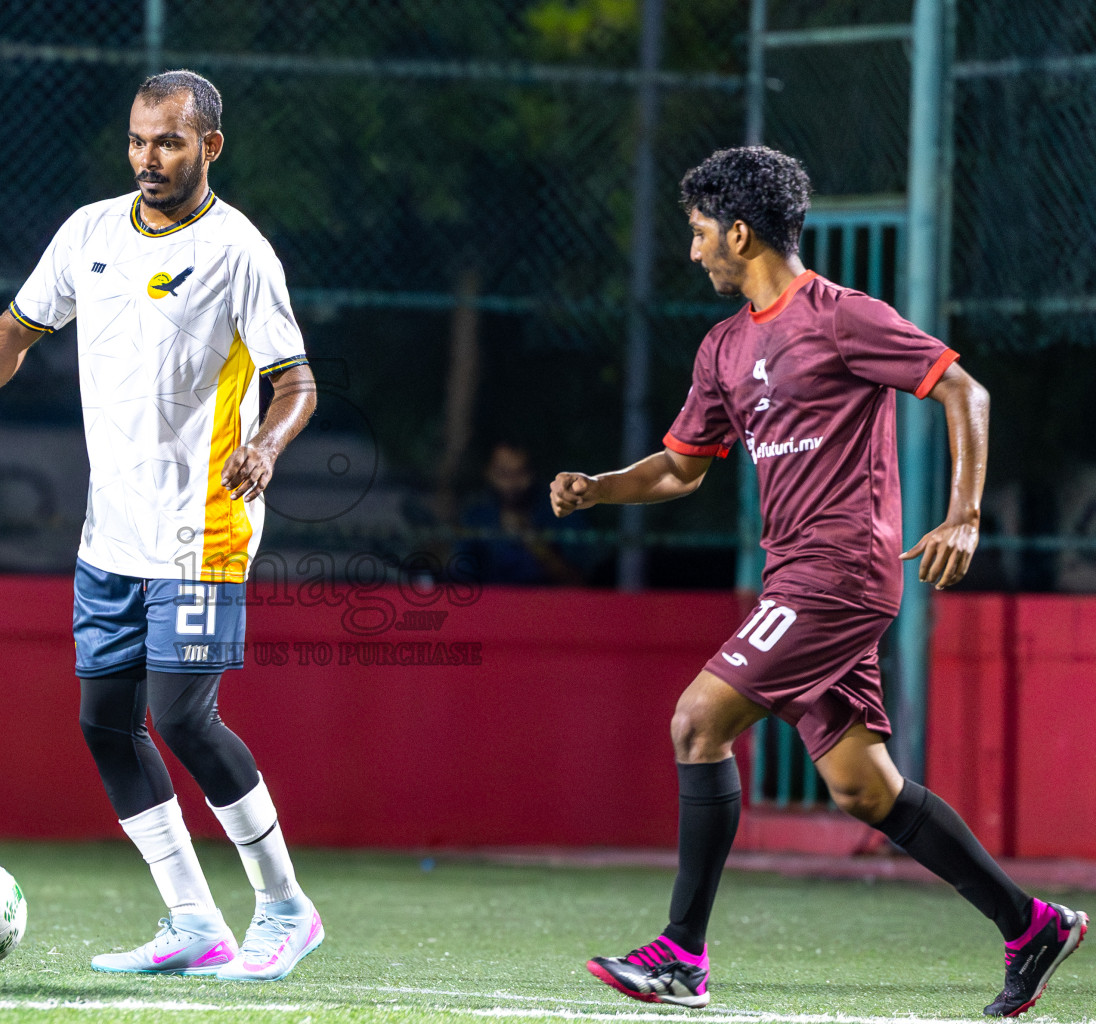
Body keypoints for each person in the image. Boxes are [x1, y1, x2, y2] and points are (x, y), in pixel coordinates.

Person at [551, 146, 1085, 1017]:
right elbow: (684, 469)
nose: (693, 253)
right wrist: (602, 487)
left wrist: (964, 515)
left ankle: (682, 954)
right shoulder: (724, 346)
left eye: (697, 234)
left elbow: (966, 393)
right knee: (863, 788)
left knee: (697, 719)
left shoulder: (840, 317)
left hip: (839, 573)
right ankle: (1030, 926)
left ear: (739, 230)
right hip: (794, 577)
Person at [0, 70, 322, 981]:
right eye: (138, 142)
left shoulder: (240, 251)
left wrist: (265, 446)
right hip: (111, 532)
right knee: (106, 723)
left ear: (209, 147)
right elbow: (17, 326)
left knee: (182, 717)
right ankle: (193, 920)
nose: (150, 159)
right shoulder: (90, 232)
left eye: (170, 143)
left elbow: (296, 382)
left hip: (206, 525)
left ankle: (284, 906)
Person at [460, 441, 587, 584]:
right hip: (490, 603)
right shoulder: (476, 516)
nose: (513, 483)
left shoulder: (561, 509)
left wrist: (535, 543)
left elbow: (578, 581)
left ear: (533, 472)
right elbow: (461, 580)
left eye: (520, 473)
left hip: (548, 602)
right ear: (488, 472)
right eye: (504, 474)